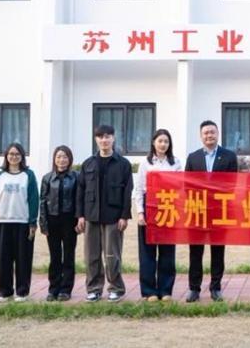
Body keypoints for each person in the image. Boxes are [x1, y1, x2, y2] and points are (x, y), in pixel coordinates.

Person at [75, 125, 134, 303]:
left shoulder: (123, 164)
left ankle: (116, 288)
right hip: (91, 216)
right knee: (91, 256)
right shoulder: (88, 163)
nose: (104, 140)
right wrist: (80, 215)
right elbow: (80, 190)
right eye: (100, 137)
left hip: (113, 217)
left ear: (113, 138)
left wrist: (124, 216)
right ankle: (94, 289)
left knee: (112, 255)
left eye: (107, 136)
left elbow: (127, 191)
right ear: (96, 140)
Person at [184, 120, 238, 302]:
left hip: (219, 211)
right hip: (197, 211)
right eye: (206, 133)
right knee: (195, 252)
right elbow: (187, 185)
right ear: (201, 136)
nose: (209, 136)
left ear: (218, 134)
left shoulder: (229, 156)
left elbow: (232, 184)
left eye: (212, 132)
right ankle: (194, 288)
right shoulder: (193, 158)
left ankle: (216, 287)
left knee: (218, 251)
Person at [133, 129, 182, 302]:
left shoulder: (175, 163)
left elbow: (180, 187)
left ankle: (165, 290)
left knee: (167, 252)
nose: (163, 144)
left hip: (168, 208)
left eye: (166, 141)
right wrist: (140, 213)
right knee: (147, 252)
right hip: (149, 208)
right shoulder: (145, 163)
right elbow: (139, 189)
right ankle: (149, 291)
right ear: (153, 142)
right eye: (160, 141)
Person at [0, 143, 39, 303]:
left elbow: (34, 200)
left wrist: (32, 223)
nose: (14, 157)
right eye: (11, 154)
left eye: (17, 154)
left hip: (23, 222)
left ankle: (22, 292)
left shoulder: (28, 175)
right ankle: (5, 292)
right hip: (2, 222)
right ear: (6, 156)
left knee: (23, 259)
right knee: (3, 259)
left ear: (22, 156)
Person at [39, 145, 78, 302]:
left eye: (65, 157)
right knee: (54, 256)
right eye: (59, 157)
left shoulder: (76, 177)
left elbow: (78, 199)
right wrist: (43, 223)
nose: (62, 160)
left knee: (68, 255)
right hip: (52, 220)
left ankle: (66, 289)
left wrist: (79, 219)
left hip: (70, 221)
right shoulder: (47, 178)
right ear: (54, 159)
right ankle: (53, 288)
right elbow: (42, 201)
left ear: (70, 159)